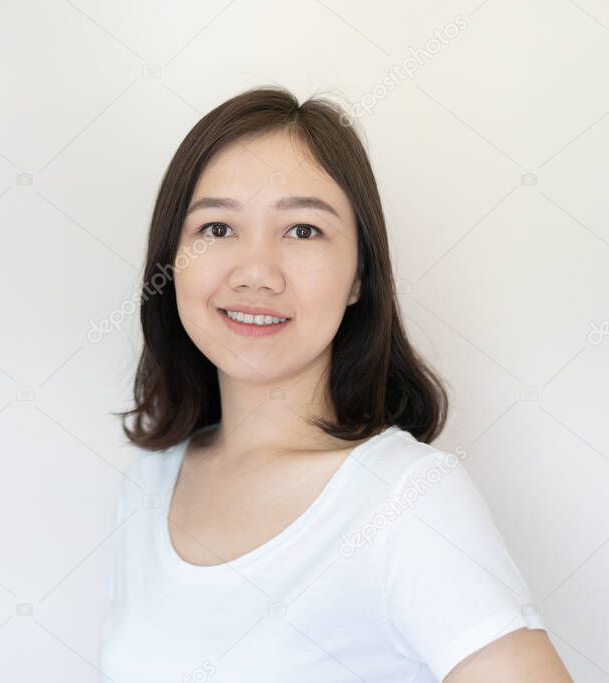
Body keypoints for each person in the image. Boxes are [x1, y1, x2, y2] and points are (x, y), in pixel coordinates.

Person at [99, 86, 571, 682]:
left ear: (359, 278)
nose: (256, 273)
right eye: (217, 228)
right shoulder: (149, 482)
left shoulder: (406, 499)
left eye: (302, 231)